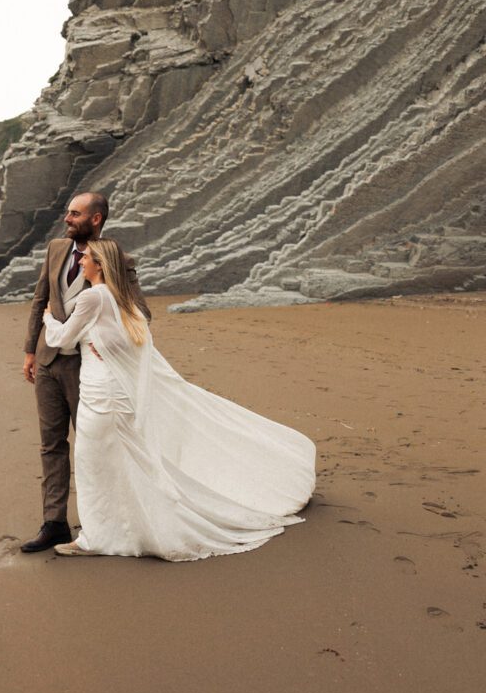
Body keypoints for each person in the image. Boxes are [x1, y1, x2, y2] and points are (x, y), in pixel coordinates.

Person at [41, 239, 316, 560]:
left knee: (93, 463)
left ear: (99, 265)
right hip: (116, 393)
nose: (82, 262)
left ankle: (100, 537)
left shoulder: (92, 298)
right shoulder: (123, 300)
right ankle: (116, 530)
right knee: (119, 463)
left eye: (87, 258)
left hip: (100, 395)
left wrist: (48, 316)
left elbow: (62, 338)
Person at [20, 194, 151, 553]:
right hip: (48, 363)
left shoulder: (117, 261)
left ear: (95, 219)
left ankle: (109, 523)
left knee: (98, 448)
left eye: (74, 214)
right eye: (67, 212)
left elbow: (140, 315)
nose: (67, 219)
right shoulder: (56, 249)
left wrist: (100, 337)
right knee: (51, 445)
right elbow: (40, 300)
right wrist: (31, 350)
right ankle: (55, 523)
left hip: (86, 370)